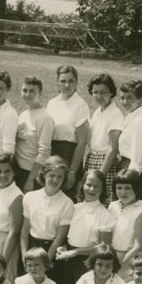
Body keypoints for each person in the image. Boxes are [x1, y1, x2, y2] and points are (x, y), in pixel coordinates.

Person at [54, 169, 114, 284]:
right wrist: (64, 247)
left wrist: (76, 252)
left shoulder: (105, 215)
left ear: (103, 189)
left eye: (97, 186)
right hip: (68, 259)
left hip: (88, 262)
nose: (92, 189)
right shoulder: (74, 208)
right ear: (82, 186)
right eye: (88, 185)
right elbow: (68, 235)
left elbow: (104, 246)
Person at [19, 156, 74, 282]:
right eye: (52, 175)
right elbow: (25, 230)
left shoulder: (67, 203)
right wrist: (24, 256)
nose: (55, 180)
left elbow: (59, 238)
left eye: (60, 176)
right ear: (44, 175)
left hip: (51, 252)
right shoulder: (30, 197)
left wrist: (45, 262)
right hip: (31, 248)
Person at [47, 65, 90, 196]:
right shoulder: (52, 103)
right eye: (63, 81)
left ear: (76, 83)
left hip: (70, 155)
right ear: (57, 82)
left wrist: (72, 171)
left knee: (66, 196)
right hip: (52, 153)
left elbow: (82, 142)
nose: (66, 85)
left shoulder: (80, 105)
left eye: (71, 81)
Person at [85, 73, 123, 201]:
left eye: (103, 92)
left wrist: (100, 175)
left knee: (103, 200)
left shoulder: (115, 114)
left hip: (105, 162)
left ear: (111, 92)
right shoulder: (97, 112)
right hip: (92, 158)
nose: (99, 96)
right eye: (95, 92)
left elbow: (113, 149)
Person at [107, 168, 142, 282]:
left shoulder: (141, 212)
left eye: (127, 188)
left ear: (136, 188)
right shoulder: (112, 206)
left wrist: (119, 264)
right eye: (119, 188)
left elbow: (139, 247)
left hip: (127, 262)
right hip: (109, 259)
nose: (123, 192)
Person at [14, 76, 53, 192]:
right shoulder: (23, 114)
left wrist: (31, 179)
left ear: (39, 93)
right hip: (16, 169)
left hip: (30, 172)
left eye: (32, 91)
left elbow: (44, 152)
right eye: (25, 90)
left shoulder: (44, 117)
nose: (27, 94)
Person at [116, 79, 142, 201]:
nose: (125, 102)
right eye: (122, 98)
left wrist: (128, 184)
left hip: (131, 172)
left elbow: (138, 160)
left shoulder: (139, 122)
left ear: (140, 99)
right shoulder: (131, 117)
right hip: (124, 167)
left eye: (130, 98)